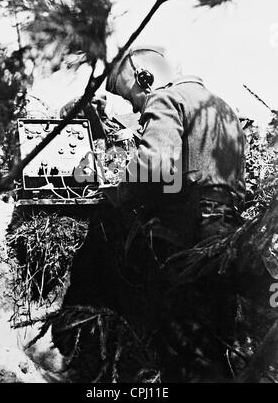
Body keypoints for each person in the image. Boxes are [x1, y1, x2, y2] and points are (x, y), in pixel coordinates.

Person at [105, 48, 247, 379]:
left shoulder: (165, 99)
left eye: (132, 98)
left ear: (145, 79)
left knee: (183, 345)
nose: (135, 107)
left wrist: (119, 192)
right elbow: (197, 169)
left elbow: (154, 165)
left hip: (192, 228)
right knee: (217, 338)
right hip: (229, 229)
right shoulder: (221, 105)